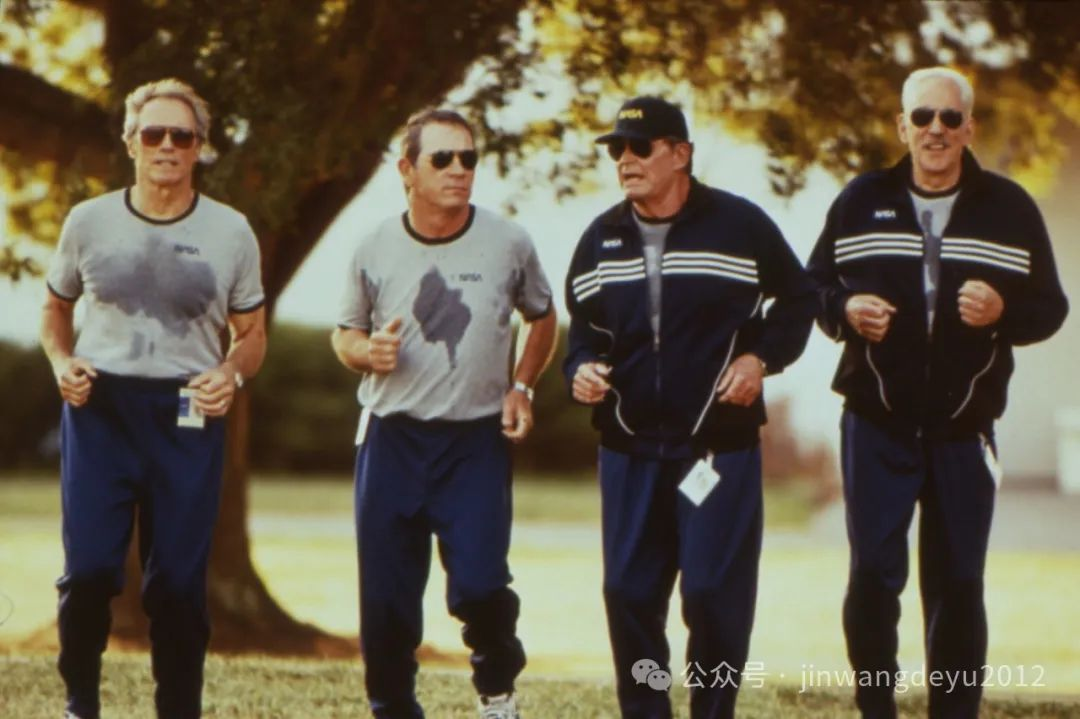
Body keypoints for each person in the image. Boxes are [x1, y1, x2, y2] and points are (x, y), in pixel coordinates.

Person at [807, 66, 1068, 719]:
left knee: (958, 582)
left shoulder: (1009, 208)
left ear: (969, 128)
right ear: (902, 126)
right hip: (875, 421)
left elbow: (1050, 307)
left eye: (950, 118)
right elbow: (812, 287)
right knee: (873, 575)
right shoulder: (861, 200)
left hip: (964, 426)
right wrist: (846, 308)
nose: (936, 129)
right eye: (922, 116)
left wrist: (1002, 310)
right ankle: (877, 708)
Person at [564, 95, 816, 719]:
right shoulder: (600, 238)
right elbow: (585, 331)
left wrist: (760, 359)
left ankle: (712, 710)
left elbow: (800, 297)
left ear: (680, 154)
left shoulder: (740, 224)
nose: (625, 160)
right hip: (628, 449)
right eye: (617, 150)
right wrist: (581, 369)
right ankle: (647, 709)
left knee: (711, 595)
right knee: (628, 595)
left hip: (717, 446)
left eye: (640, 147)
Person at [40, 78, 267, 719]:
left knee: (176, 586)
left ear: (200, 148)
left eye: (182, 136)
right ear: (131, 142)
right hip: (100, 409)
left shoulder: (231, 231)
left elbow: (252, 335)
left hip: (186, 412)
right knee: (89, 572)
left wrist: (231, 374)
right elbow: (54, 310)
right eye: (154, 133)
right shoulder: (88, 222)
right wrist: (62, 362)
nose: (167, 145)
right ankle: (80, 704)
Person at [331, 108, 557, 719]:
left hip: (475, 441)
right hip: (392, 439)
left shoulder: (509, 242)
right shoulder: (374, 246)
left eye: (468, 158)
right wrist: (366, 353)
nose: (459, 169)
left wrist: (522, 386)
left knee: (481, 585)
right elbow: (345, 333)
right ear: (407, 170)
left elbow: (542, 316)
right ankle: (392, 707)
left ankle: (497, 691)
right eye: (442, 158)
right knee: (387, 600)